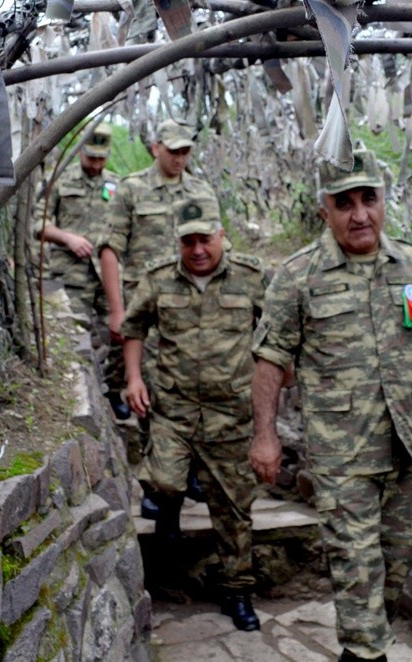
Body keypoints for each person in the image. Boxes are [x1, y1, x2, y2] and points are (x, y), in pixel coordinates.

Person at [248, 148, 412, 661]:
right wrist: (265, 435)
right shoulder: (298, 275)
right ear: (324, 209)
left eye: (368, 198)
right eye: (344, 202)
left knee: (389, 578)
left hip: (402, 452)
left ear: (383, 199)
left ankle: (363, 649)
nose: (359, 214)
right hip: (341, 459)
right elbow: (269, 359)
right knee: (358, 578)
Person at [120, 196, 266, 632]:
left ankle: (237, 592)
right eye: (189, 242)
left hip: (231, 414)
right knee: (163, 479)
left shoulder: (251, 277)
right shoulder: (160, 279)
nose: (198, 249)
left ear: (222, 236)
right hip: (175, 408)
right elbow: (133, 327)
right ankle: (168, 508)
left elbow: (279, 327)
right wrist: (133, 378)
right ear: (178, 243)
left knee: (234, 510)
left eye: (205, 239)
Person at [97, 119, 216, 508]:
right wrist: (118, 310)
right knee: (149, 392)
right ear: (155, 148)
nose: (180, 158)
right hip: (145, 309)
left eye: (186, 151)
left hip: (193, 309)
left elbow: (216, 247)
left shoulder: (201, 191)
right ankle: (155, 483)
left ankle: (191, 472)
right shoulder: (131, 189)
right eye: (173, 150)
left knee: (196, 389)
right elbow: (111, 248)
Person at [35, 121, 130, 420]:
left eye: (102, 158)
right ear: (80, 153)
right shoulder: (58, 181)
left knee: (120, 333)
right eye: (91, 157)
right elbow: (37, 224)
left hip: (109, 276)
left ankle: (113, 391)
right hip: (69, 274)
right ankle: (78, 396)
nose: (96, 164)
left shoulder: (117, 185)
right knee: (74, 336)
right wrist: (67, 237)